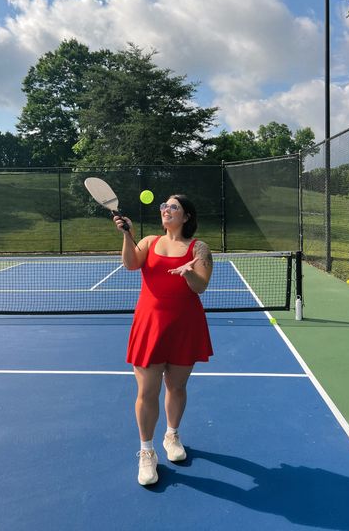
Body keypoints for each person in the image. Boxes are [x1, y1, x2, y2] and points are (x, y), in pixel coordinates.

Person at [113, 194, 213, 486]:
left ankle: (172, 435)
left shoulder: (199, 248)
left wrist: (188, 274)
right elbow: (131, 264)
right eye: (164, 206)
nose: (166, 210)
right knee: (146, 392)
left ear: (186, 217)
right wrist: (127, 235)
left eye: (173, 207)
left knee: (177, 386)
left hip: (185, 326)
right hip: (150, 324)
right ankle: (147, 452)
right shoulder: (148, 241)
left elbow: (201, 287)